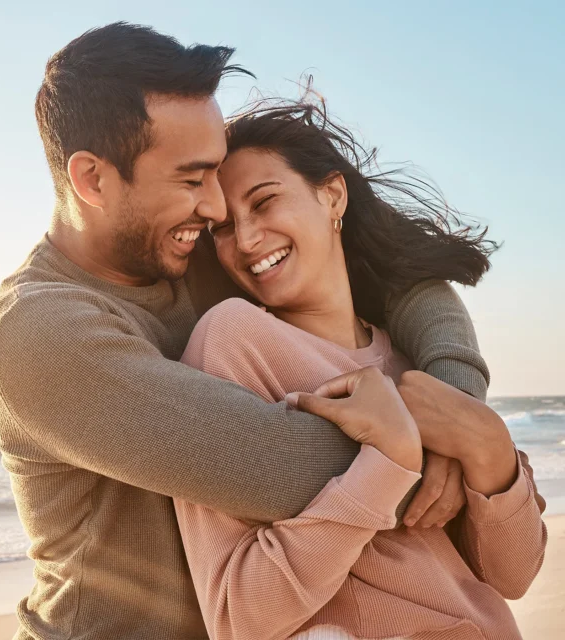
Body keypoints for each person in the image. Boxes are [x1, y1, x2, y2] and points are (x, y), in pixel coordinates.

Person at [0, 23, 493, 639]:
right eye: (192, 179)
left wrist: (454, 396)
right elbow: (279, 469)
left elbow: (399, 278)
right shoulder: (37, 334)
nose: (219, 209)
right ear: (92, 180)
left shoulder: (189, 251)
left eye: (217, 174)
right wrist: (454, 449)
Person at [173, 100, 547, 640]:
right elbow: (237, 617)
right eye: (225, 228)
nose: (248, 239)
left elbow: (514, 575)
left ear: (332, 195)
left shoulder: (413, 358)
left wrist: (489, 445)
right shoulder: (235, 339)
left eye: (265, 202)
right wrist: (386, 462)